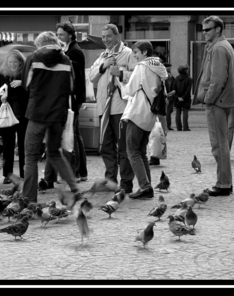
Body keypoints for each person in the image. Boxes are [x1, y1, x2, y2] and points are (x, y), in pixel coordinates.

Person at [21, 31, 80, 203]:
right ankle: (75, 189)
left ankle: (29, 200)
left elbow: (26, 84)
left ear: (40, 44)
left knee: (31, 157)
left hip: (37, 113)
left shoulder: (33, 58)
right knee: (55, 153)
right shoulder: (66, 60)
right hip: (58, 115)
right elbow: (71, 87)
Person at [88, 23, 136, 194]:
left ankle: (126, 183)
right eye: (103, 37)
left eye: (108, 36)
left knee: (123, 147)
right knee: (107, 147)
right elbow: (92, 77)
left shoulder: (128, 54)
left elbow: (137, 77)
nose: (105, 40)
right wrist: (104, 66)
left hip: (120, 108)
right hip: (104, 108)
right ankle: (110, 180)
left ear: (117, 35)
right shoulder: (102, 56)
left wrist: (121, 73)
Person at [193, 16, 234, 197]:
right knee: (221, 144)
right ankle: (225, 182)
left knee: (219, 146)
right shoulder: (222, 46)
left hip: (217, 103)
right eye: (202, 30)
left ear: (218, 29)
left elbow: (218, 80)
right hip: (223, 101)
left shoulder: (219, 48)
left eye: (208, 29)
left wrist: (208, 99)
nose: (204, 33)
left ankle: (224, 184)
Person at [121, 40, 168, 199]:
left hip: (137, 113)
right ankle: (147, 187)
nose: (134, 55)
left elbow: (130, 89)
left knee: (132, 151)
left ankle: (145, 186)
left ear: (145, 53)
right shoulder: (159, 68)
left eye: (136, 52)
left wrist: (122, 81)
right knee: (140, 151)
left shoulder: (142, 67)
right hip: (150, 115)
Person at [43, 21, 88, 186]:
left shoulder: (74, 51)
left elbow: (76, 77)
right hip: (71, 97)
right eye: (58, 34)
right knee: (75, 134)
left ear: (70, 34)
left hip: (72, 97)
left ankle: (75, 171)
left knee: (72, 135)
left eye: (61, 34)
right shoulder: (68, 49)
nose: (59, 37)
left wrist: (78, 98)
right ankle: (80, 171)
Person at [0, 49, 28, 183]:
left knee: (23, 144)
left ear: (20, 62)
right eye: (10, 62)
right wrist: (0, 97)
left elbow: (32, 89)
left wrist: (23, 84)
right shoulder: (2, 74)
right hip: (7, 113)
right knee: (8, 144)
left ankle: (25, 174)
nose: (13, 64)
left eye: (15, 62)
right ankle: (8, 175)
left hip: (23, 113)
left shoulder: (25, 74)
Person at [173, 64, 193, 131]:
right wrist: (183, 97)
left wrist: (177, 97)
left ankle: (178, 127)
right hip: (186, 98)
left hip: (177, 98)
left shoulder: (176, 78)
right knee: (185, 112)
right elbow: (188, 90)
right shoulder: (189, 79)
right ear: (185, 70)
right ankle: (185, 127)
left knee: (178, 112)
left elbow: (174, 89)